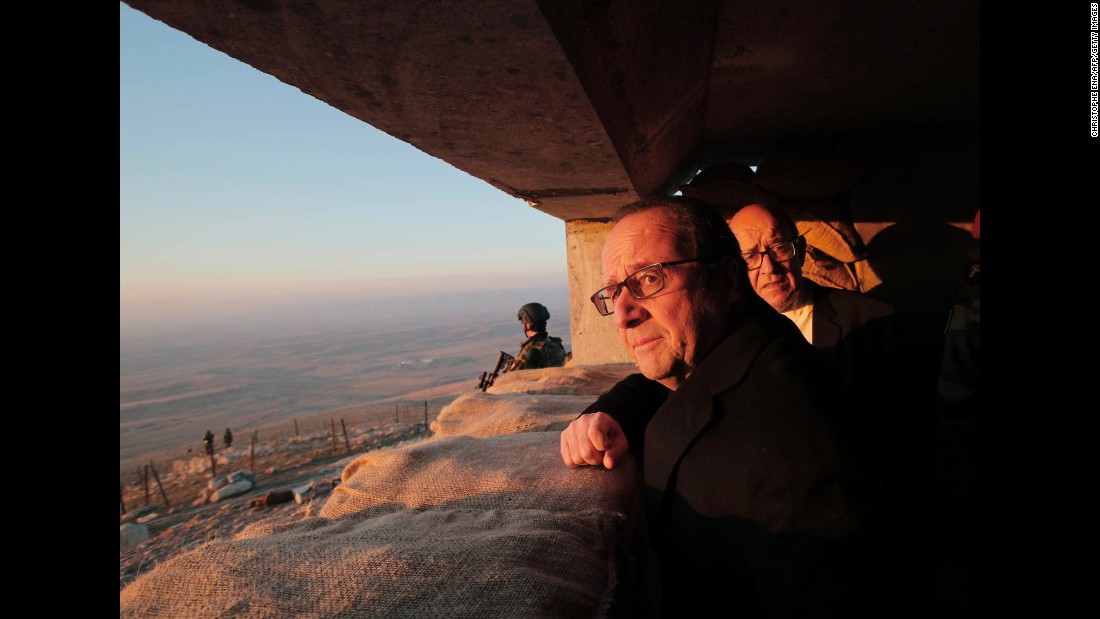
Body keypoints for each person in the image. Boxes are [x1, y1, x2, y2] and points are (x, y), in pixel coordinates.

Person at [582, 201, 934, 610]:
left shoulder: (793, 443)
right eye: (613, 291)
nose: (623, 313)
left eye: (649, 277)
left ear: (729, 279)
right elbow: (668, 387)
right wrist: (607, 415)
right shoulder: (734, 353)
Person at [506, 302, 567, 371]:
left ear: (526, 325)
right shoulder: (556, 343)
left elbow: (510, 378)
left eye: (523, 322)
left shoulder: (528, 351)